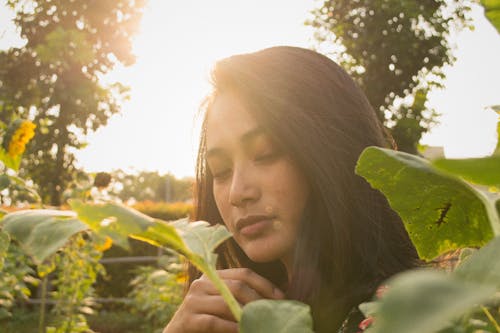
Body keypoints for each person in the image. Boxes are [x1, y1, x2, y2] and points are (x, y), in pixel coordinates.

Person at [163, 46, 420, 333]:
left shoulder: (412, 313)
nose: (237, 192)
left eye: (265, 154)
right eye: (221, 172)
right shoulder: (234, 318)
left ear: (331, 152)